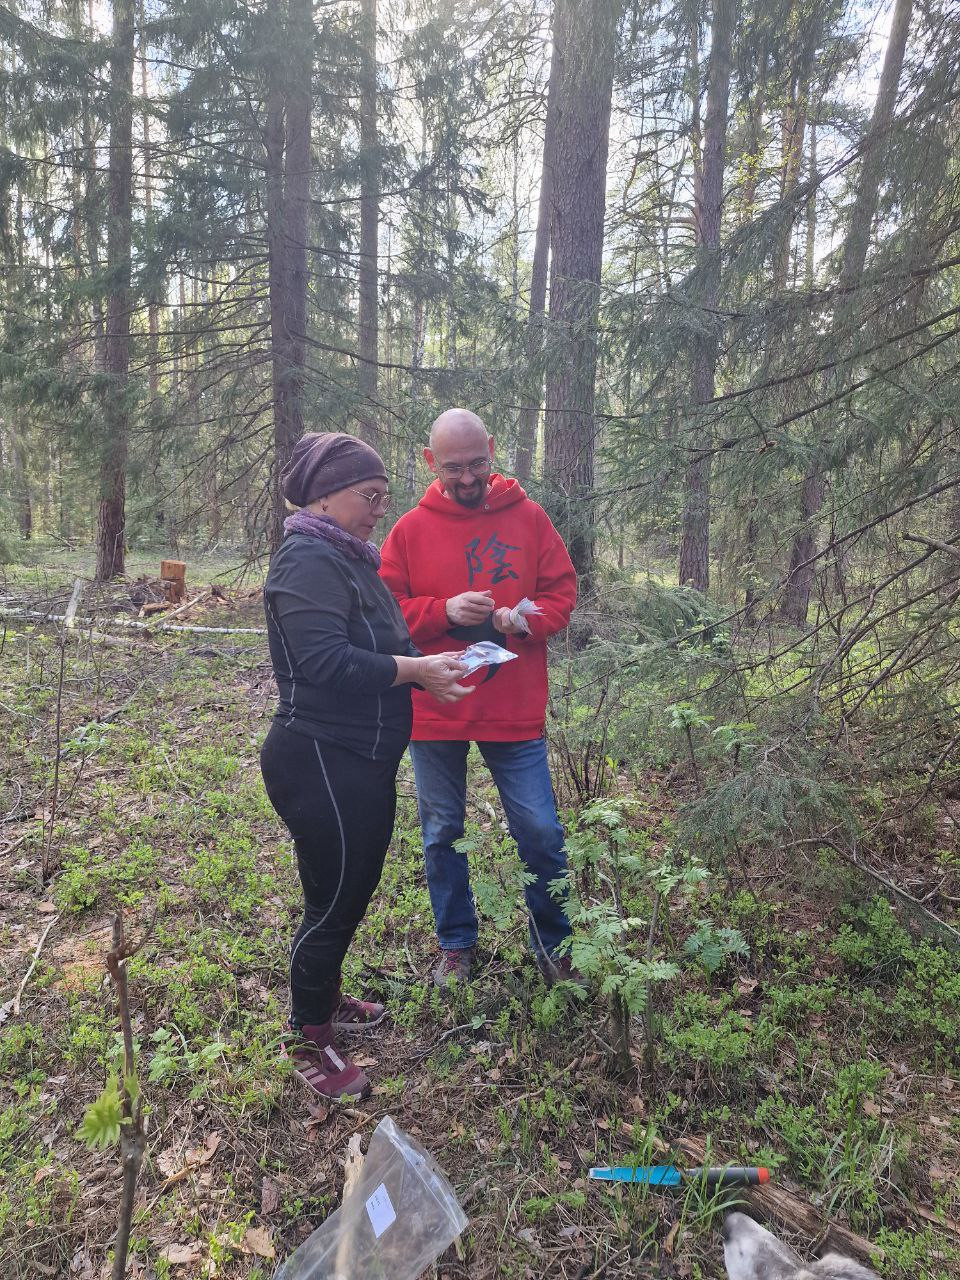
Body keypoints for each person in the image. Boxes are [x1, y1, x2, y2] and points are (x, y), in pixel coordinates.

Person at [260, 431, 471, 1099]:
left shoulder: (348, 557)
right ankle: (306, 1036)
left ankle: (324, 1001)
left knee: (338, 894)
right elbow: (324, 662)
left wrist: (432, 664)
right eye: (369, 495)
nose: (380, 507)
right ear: (324, 497)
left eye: (385, 495)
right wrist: (415, 671)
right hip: (322, 757)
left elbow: (383, 644)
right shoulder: (306, 561)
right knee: (337, 902)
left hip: (360, 756)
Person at [380, 408, 579, 986]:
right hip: (435, 708)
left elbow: (562, 596)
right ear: (428, 462)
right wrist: (443, 610)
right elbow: (385, 614)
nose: (466, 479)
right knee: (442, 829)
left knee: (539, 830)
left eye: (477, 465)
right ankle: (456, 945)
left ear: (492, 450)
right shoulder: (410, 531)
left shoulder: (531, 518)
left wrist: (523, 620)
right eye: (452, 469)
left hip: (512, 711)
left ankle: (555, 946)